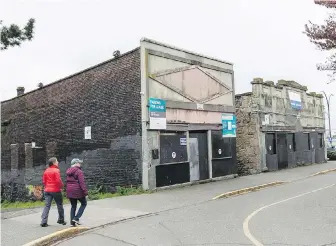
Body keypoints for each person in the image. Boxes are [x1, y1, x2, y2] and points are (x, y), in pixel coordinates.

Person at [41, 157, 66, 227]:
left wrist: (47, 187)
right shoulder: (56, 170)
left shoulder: (46, 171)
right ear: (54, 163)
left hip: (47, 190)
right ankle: (61, 220)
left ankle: (43, 221)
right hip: (55, 190)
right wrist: (62, 186)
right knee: (59, 204)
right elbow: (58, 181)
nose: (58, 162)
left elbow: (44, 181)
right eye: (57, 161)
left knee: (47, 206)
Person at [66, 158, 88, 226]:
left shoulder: (68, 171)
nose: (80, 164)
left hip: (70, 190)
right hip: (77, 191)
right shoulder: (79, 171)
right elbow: (82, 183)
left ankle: (72, 223)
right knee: (84, 203)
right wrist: (85, 193)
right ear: (75, 163)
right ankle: (76, 218)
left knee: (73, 206)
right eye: (79, 163)